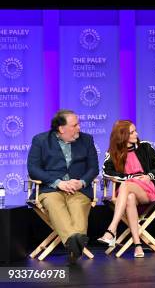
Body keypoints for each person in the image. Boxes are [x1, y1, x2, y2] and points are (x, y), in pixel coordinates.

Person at [26, 109, 99, 264]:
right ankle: (75, 245)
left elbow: (93, 168)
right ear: (61, 128)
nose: (79, 127)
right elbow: (33, 168)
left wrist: (81, 182)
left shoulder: (87, 140)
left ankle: (73, 246)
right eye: (75, 125)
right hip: (51, 188)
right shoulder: (40, 140)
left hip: (78, 189)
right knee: (54, 204)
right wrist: (58, 183)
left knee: (78, 208)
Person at [98, 120, 155, 258]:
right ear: (123, 136)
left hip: (148, 187)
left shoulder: (145, 146)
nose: (137, 134)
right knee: (129, 196)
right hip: (126, 190)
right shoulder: (113, 152)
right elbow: (107, 172)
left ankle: (111, 229)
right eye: (132, 132)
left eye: (135, 131)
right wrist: (129, 177)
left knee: (125, 186)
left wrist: (149, 176)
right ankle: (137, 245)